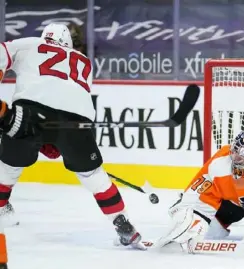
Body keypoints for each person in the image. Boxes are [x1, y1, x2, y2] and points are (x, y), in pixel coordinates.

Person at [0, 23, 144, 250]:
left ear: (44, 36)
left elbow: (2, 54)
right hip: (77, 120)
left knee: (9, 165)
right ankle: (122, 223)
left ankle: (1, 206)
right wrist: (57, 139)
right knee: (93, 174)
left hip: (30, 110)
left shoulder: (28, 44)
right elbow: (66, 101)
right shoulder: (84, 62)